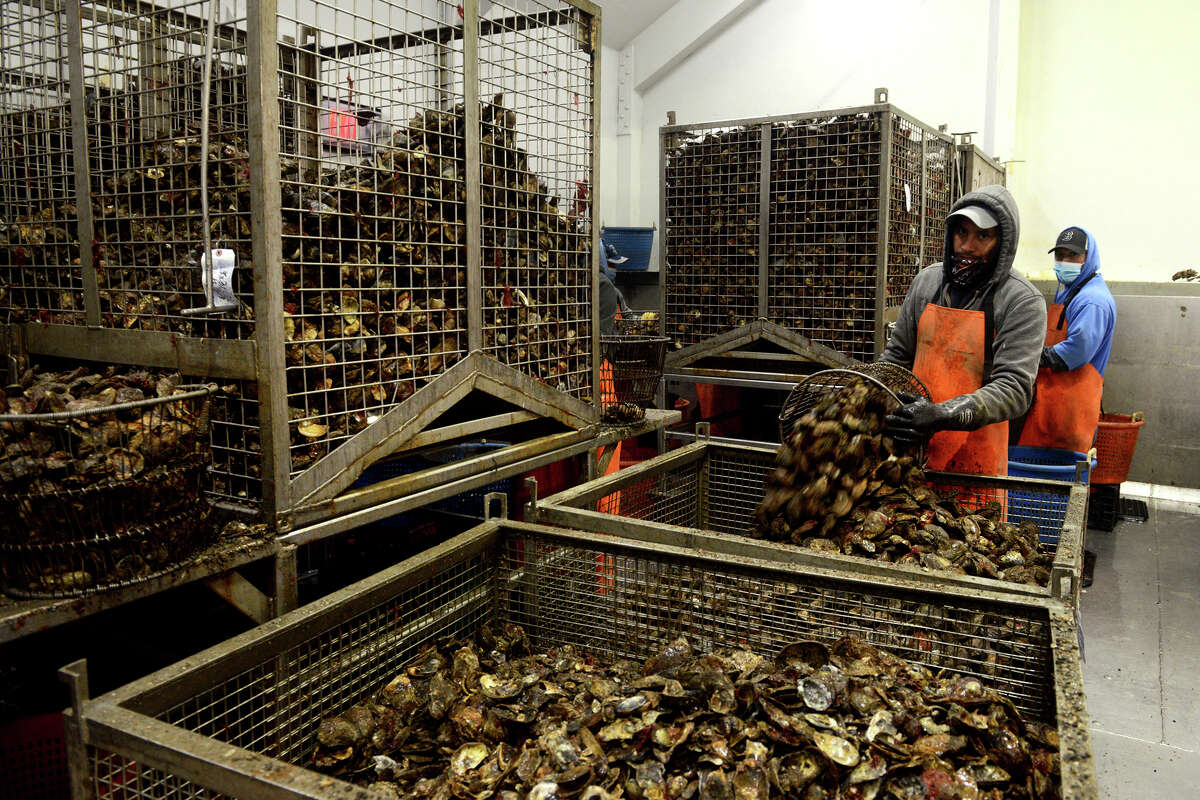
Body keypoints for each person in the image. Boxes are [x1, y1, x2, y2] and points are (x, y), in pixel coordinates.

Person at [879, 185, 1047, 476]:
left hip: (974, 462)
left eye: (983, 235)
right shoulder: (926, 284)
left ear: (1003, 242)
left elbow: (1015, 389)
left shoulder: (1021, 301)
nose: (967, 246)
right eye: (961, 233)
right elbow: (896, 358)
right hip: (910, 454)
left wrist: (943, 414)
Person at [1016, 226, 1116, 452]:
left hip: (1071, 409)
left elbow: (1077, 351)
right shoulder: (1071, 290)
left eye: (1073, 255)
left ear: (1088, 257)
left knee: (1056, 478)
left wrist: (1030, 355)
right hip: (1053, 403)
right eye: (1060, 255)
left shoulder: (1092, 300)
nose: (1064, 261)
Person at [598, 241, 632, 336]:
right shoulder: (602, 287)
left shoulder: (615, 291)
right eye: (611, 265)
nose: (615, 269)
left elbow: (627, 314)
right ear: (602, 263)